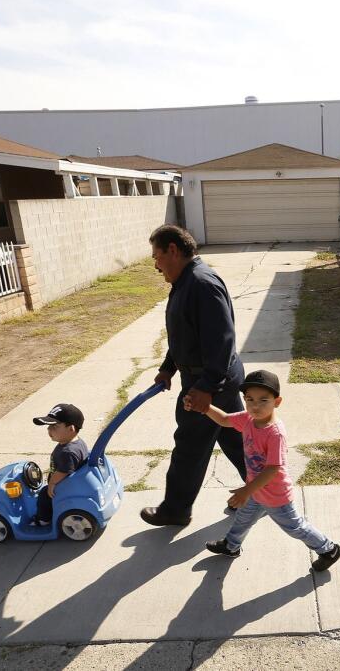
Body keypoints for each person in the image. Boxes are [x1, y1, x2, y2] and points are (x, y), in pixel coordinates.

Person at [140, 225, 247, 527]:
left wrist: (206, 388)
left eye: (157, 256)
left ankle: (175, 509)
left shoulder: (201, 284)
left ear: (173, 250)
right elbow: (186, 336)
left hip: (209, 383)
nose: (155, 264)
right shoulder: (186, 282)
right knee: (237, 440)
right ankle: (265, 491)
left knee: (189, 447)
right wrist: (168, 367)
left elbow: (221, 341)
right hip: (207, 380)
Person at [191, 369, 340, 572]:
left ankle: (328, 549)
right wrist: (205, 407)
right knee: (243, 518)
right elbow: (225, 419)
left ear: (277, 401)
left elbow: (273, 469)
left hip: (275, 495)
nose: (255, 405)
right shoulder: (247, 419)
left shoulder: (275, 433)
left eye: (263, 400)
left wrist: (246, 490)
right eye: (249, 399)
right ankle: (231, 546)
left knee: (295, 527)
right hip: (256, 489)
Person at [29, 403, 88, 527]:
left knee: (44, 495)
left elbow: (63, 471)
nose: (49, 430)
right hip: (72, 482)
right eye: (48, 426)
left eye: (54, 427)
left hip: (66, 487)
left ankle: (43, 519)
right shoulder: (76, 442)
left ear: (71, 428)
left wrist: (52, 483)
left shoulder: (67, 452)